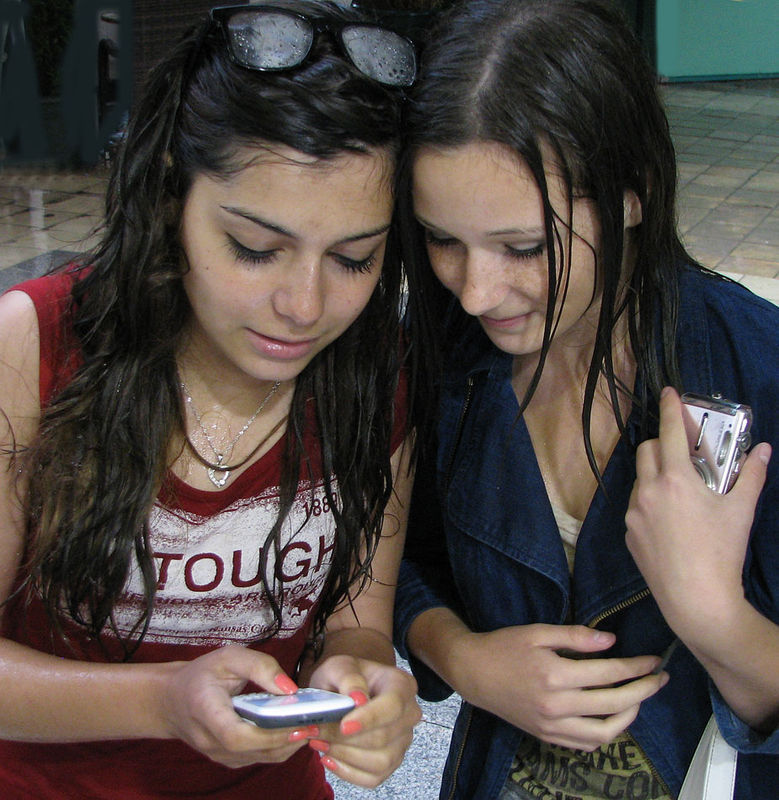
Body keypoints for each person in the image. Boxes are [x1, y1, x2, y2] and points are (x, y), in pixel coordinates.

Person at [0, 2, 424, 798]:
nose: (304, 306)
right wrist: (161, 700)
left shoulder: (375, 377)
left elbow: (357, 623)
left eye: (354, 259)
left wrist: (364, 681)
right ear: (171, 198)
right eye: (254, 249)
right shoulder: (35, 345)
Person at [394, 1, 779, 798]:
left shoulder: (756, 368)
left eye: (524, 247)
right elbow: (398, 562)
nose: (475, 292)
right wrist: (462, 657)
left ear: (632, 192)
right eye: (442, 240)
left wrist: (715, 616)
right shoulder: (441, 358)